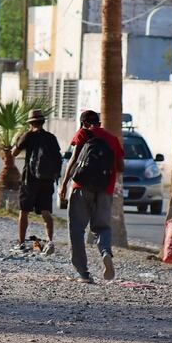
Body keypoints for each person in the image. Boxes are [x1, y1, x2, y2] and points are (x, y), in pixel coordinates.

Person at [59, 110, 124, 284]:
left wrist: (64, 183)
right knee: (102, 227)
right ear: (99, 123)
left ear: (83, 123)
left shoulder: (82, 133)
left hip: (81, 187)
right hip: (105, 189)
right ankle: (105, 252)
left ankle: (83, 273)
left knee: (77, 229)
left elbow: (74, 159)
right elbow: (121, 167)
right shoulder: (112, 139)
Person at [11, 109, 61, 255]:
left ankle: (21, 243)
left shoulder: (28, 136)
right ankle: (49, 241)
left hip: (30, 180)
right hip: (47, 180)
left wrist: (23, 135)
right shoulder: (51, 138)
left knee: (24, 211)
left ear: (31, 123)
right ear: (43, 122)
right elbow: (57, 157)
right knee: (46, 212)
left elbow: (14, 152)